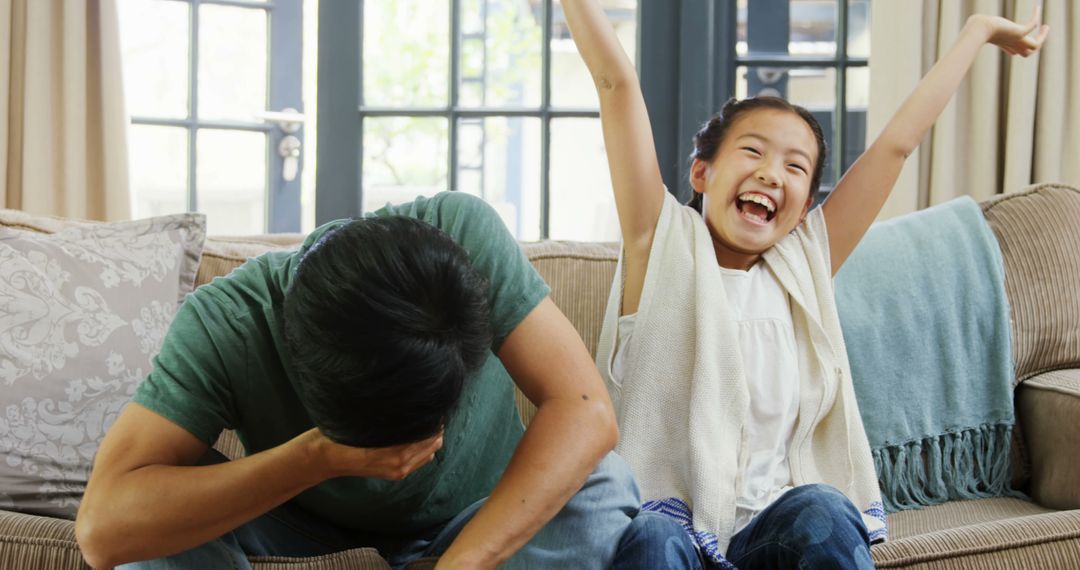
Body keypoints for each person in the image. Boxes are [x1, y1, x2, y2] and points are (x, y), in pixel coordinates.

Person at [561, 1, 1049, 568]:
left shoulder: (806, 262)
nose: (772, 172)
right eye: (752, 150)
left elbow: (895, 145)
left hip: (772, 534)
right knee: (649, 538)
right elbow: (616, 83)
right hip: (671, 530)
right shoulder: (659, 241)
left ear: (800, 212)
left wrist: (978, 30)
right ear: (702, 172)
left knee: (821, 507)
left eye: (795, 167)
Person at [74, 192, 681, 569]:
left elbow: (585, 409)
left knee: (605, 481)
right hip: (302, 517)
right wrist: (318, 457)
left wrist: (464, 564)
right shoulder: (226, 324)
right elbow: (103, 530)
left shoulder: (461, 235)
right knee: (150, 531)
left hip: (481, 506)